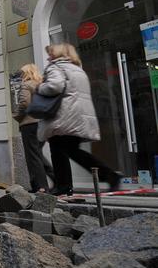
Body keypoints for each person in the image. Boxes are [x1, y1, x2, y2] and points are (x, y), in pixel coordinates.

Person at [36, 43, 120, 196]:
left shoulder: (57, 67)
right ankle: (106, 176)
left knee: (59, 151)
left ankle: (65, 186)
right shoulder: (77, 69)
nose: (48, 57)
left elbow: (54, 86)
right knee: (71, 151)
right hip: (77, 116)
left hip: (64, 115)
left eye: (51, 54)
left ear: (59, 54)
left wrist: (39, 87)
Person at [12, 63, 53, 192]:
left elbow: (24, 103)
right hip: (42, 123)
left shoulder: (26, 85)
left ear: (26, 74)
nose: (21, 75)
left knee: (32, 156)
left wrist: (17, 116)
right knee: (37, 154)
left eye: (22, 73)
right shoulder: (41, 86)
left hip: (29, 124)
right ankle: (54, 179)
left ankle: (40, 186)